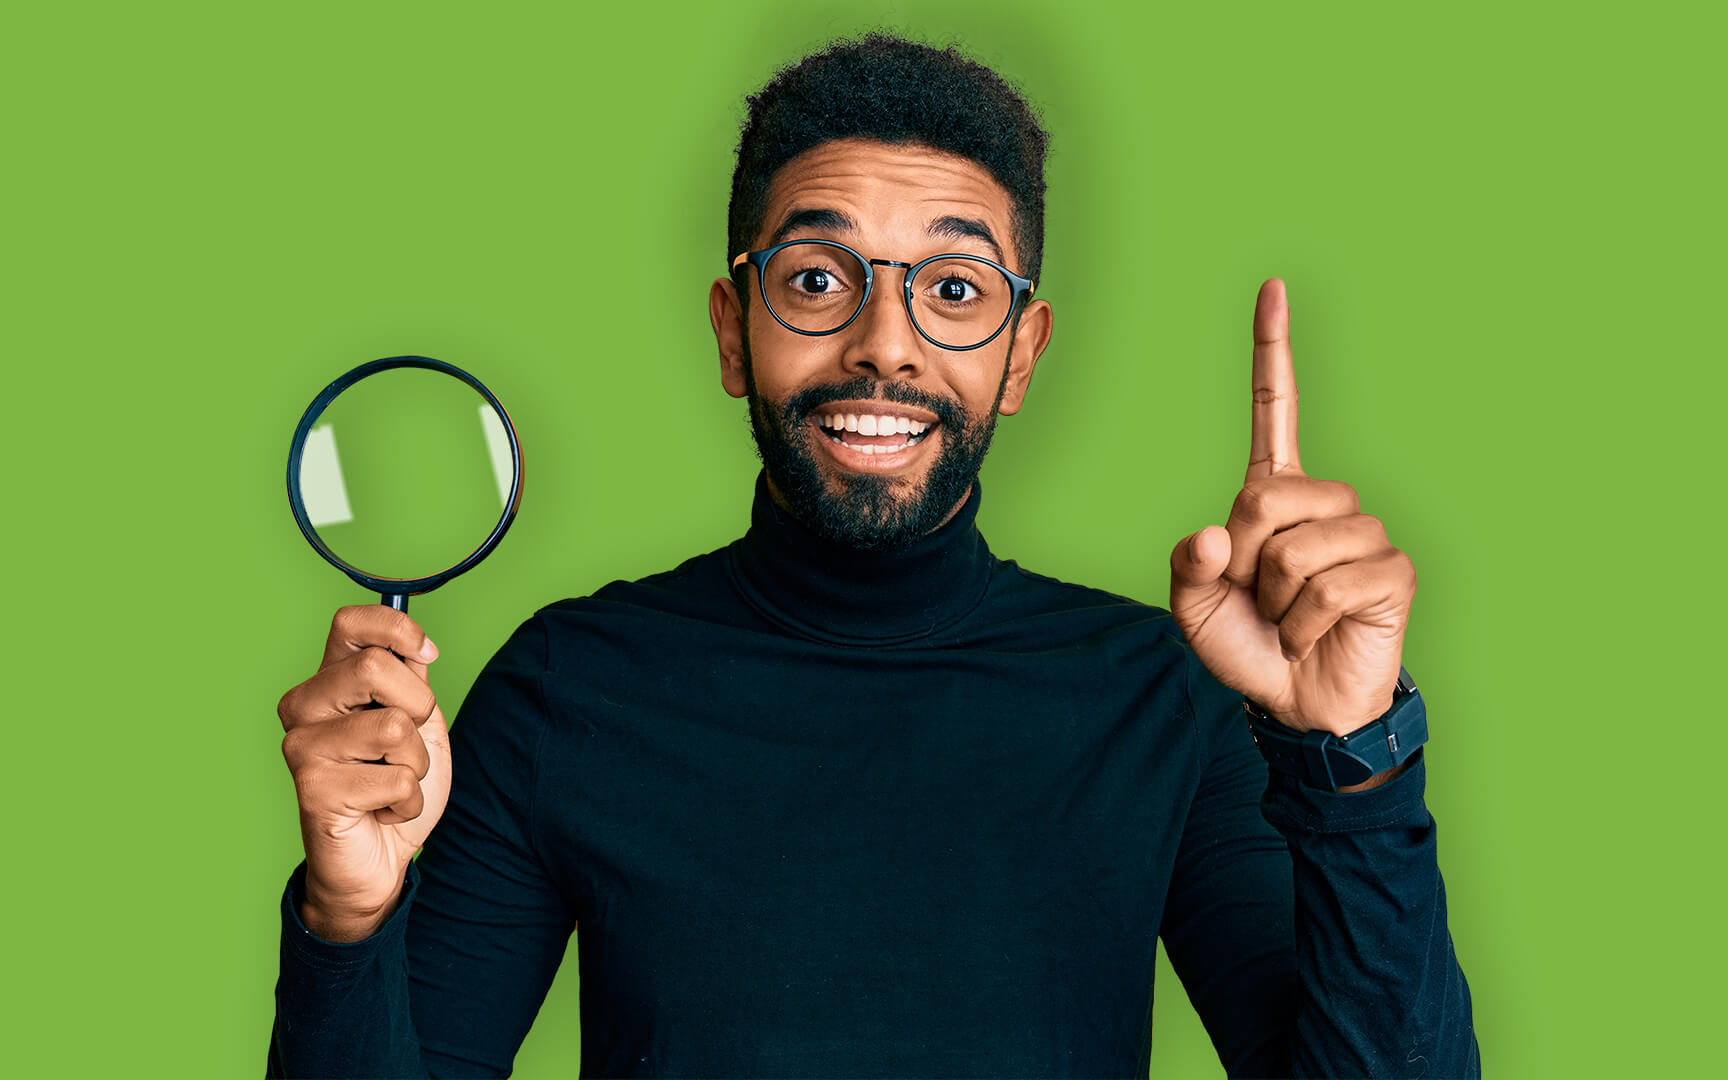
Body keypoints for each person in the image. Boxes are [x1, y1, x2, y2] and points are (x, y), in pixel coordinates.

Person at [269, 33, 1478, 1079]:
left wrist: (1354, 760)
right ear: (734, 332)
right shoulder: (565, 690)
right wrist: (346, 916)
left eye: (954, 287)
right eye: (814, 279)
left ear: (1021, 355)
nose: (884, 344)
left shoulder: (1161, 700)